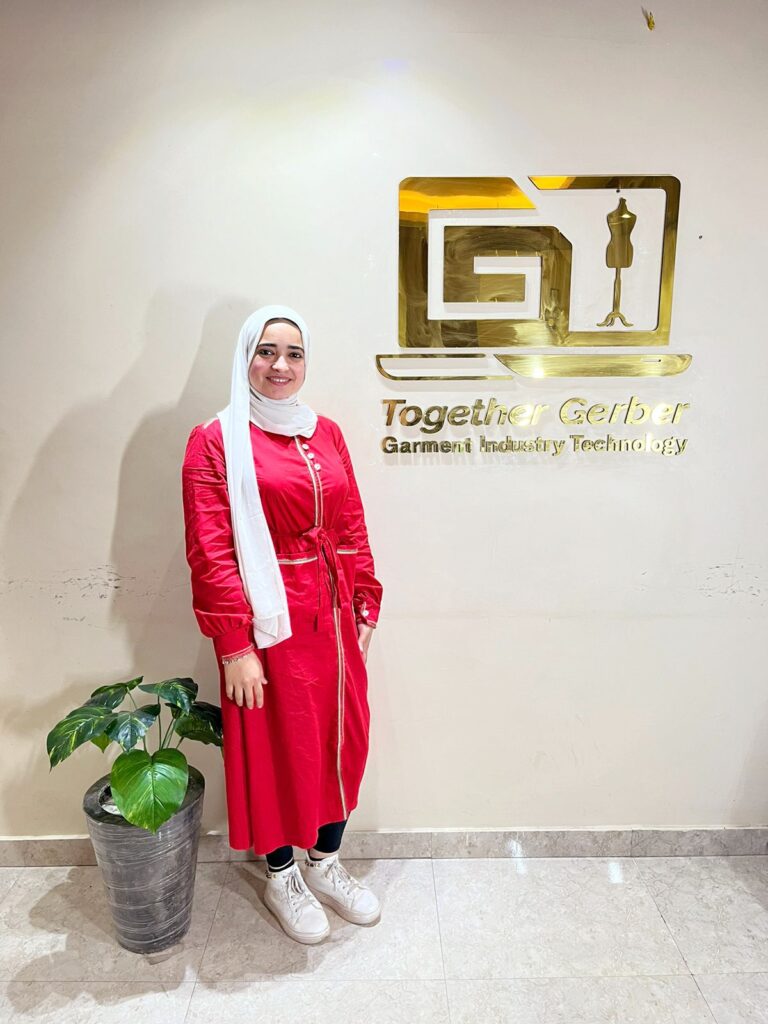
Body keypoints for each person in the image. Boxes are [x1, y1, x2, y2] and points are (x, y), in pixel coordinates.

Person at [181, 304, 383, 944]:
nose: (280, 365)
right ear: (246, 357)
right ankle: (282, 874)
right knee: (275, 749)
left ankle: (325, 862)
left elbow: (350, 523)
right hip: (267, 626)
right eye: (266, 351)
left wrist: (365, 599)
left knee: (341, 740)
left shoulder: (326, 432)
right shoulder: (215, 440)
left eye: (294, 353)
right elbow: (210, 550)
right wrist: (234, 645)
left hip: (333, 618)